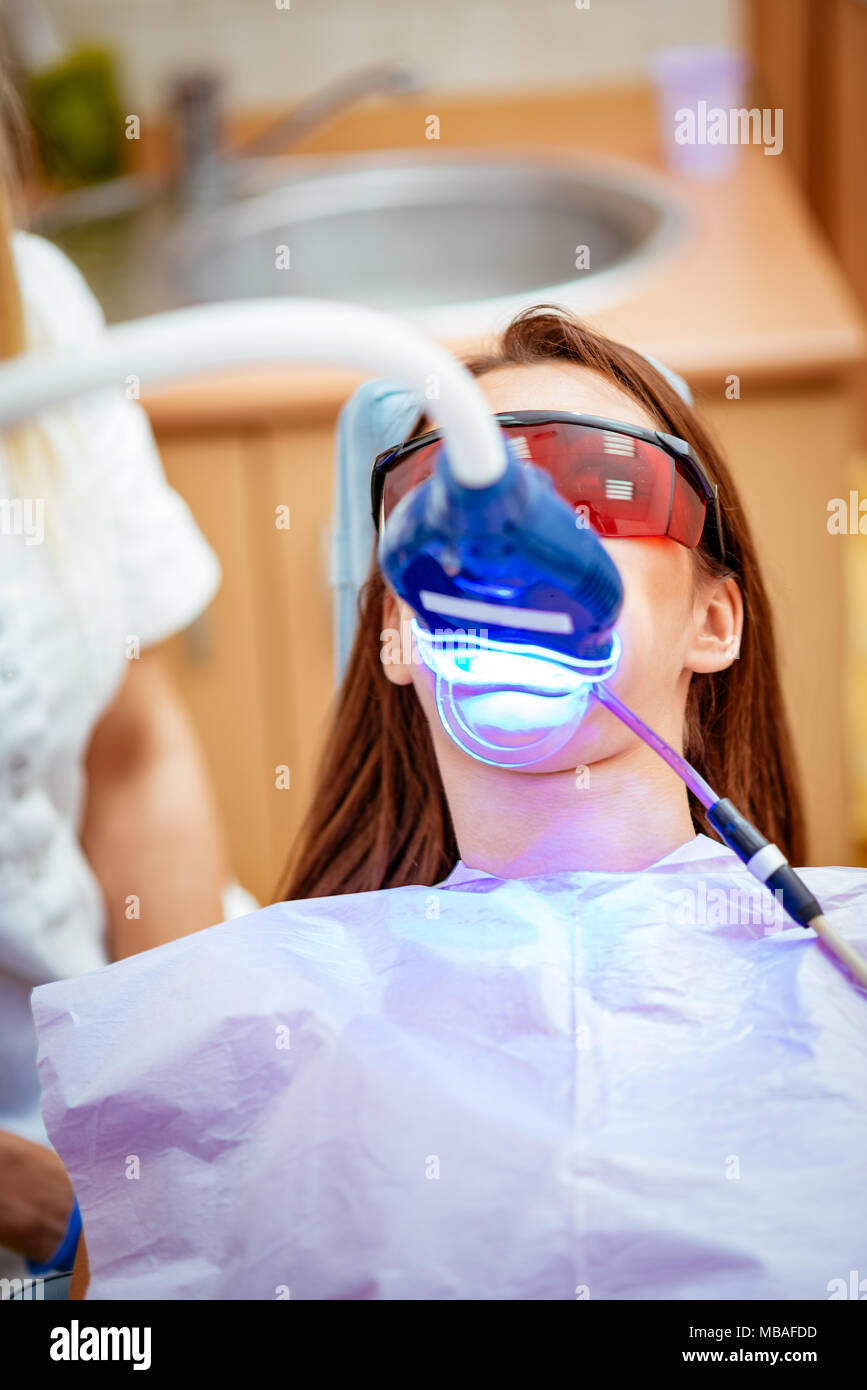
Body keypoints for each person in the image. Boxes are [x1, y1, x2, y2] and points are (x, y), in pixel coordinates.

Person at [32, 307, 867, 1301]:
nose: (517, 542)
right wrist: (66, 1214)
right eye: (453, 500)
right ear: (397, 632)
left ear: (713, 621)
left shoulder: (842, 969)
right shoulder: (261, 1021)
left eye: (601, 484)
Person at [0, 129, 236, 1283]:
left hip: (117, 1058)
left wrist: (162, 1113)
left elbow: (135, 751)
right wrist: (52, 1214)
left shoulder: (32, 302)